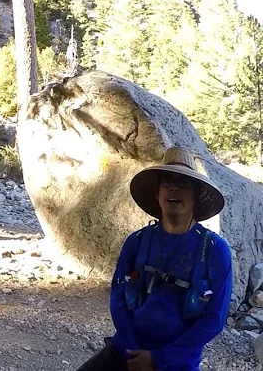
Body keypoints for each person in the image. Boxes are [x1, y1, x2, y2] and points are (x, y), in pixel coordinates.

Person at [77, 146, 233, 371]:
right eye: (166, 181)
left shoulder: (215, 250)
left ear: (197, 196)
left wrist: (158, 360)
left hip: (177, 363)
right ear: (157, 193)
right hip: (126, 353)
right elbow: (118, 299)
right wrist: (135, 353)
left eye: (183, 182)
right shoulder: (137, 241)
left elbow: (214, 319)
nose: (173, 188)